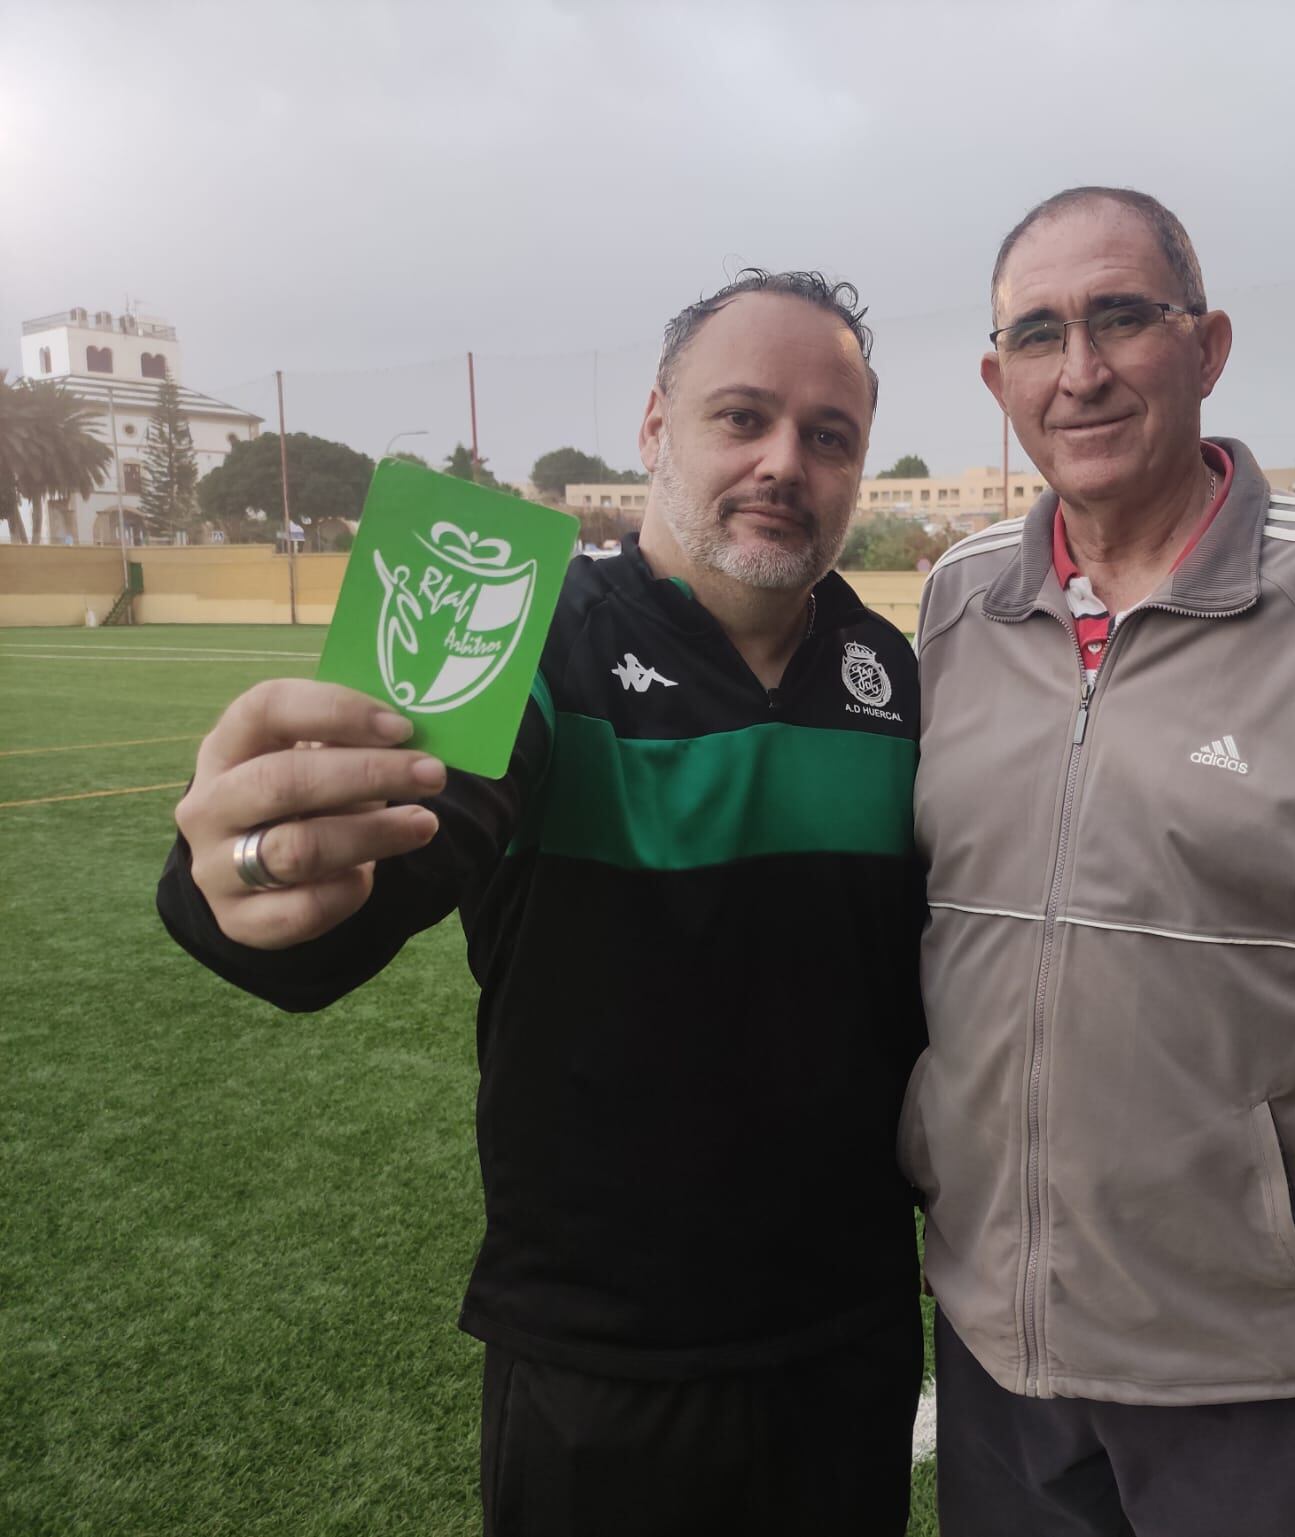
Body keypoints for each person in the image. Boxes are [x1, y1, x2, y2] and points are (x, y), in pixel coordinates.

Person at [157, 270, 925, 1536]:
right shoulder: (526, 648)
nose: (784, 461)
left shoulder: (885, 672)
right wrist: (243, 878)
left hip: (844, 1343)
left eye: (827, 435)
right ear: (653, 431)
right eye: (741, 417)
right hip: (598, 1361)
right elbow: (379, 855)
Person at [902, 189, 1295, 1536]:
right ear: (995, 378)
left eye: (1121, 318)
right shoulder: (960, 600)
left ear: (1208, 347)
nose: (1079, 370)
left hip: (1264, 1355)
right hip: (994, 1336)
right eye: (1038, 334)